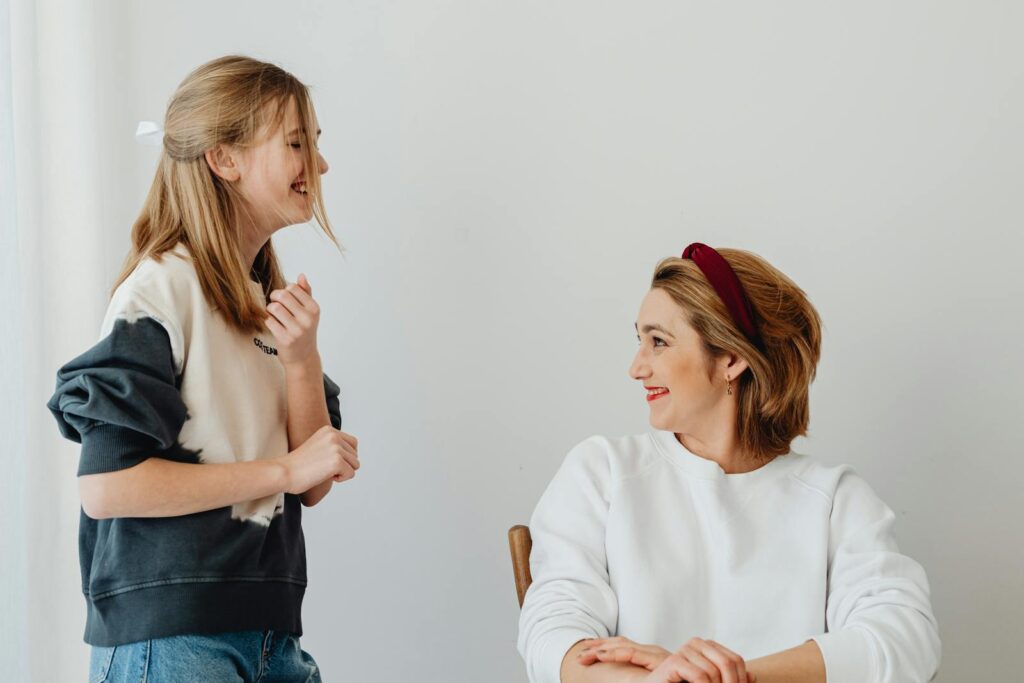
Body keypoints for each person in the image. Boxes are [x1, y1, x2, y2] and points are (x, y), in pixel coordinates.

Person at [46, 55, 360, 682]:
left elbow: (313, 483)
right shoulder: (159, 291)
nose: (319, 166)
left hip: (268, 636)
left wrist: (301, 363)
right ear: (224, 158)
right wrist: (286, 467)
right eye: (298, 143)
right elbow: (108, 487)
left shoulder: (260, 299)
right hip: (173, 642)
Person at [517, 243, 941, 683]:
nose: (636, 367)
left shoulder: (835, 500)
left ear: (732, 358)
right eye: (639, 340)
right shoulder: (602, 472)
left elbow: (905, 641)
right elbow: (553, 636)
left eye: (658, 342)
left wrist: (717, 678)